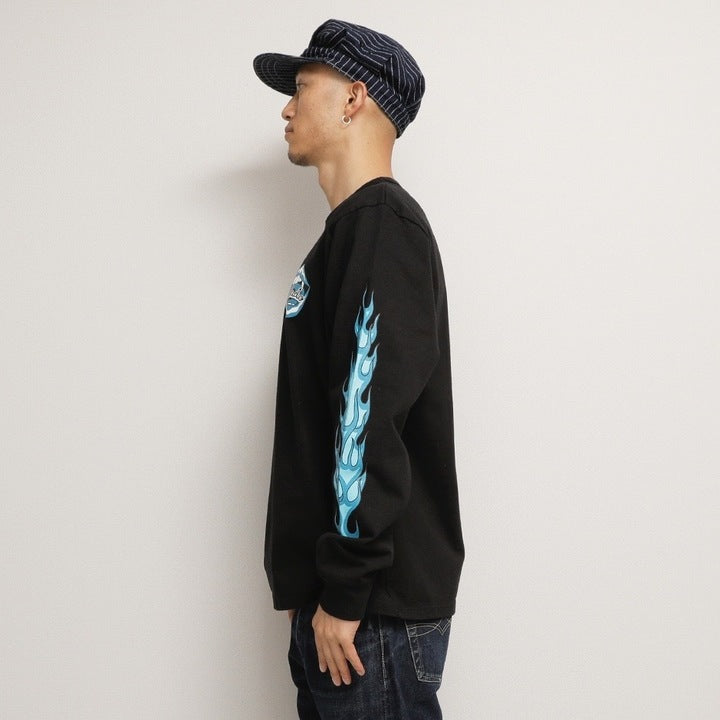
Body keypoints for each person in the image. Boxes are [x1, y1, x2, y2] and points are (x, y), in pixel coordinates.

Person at [253, 19, 464, 720]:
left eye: (301, 88)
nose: (286, 108)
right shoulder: (347, 236)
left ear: (353, 98)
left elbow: (367, 417)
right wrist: (310, 586)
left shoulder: (382, 228)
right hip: (344, 605)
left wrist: (344, 589)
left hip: (370, 612)